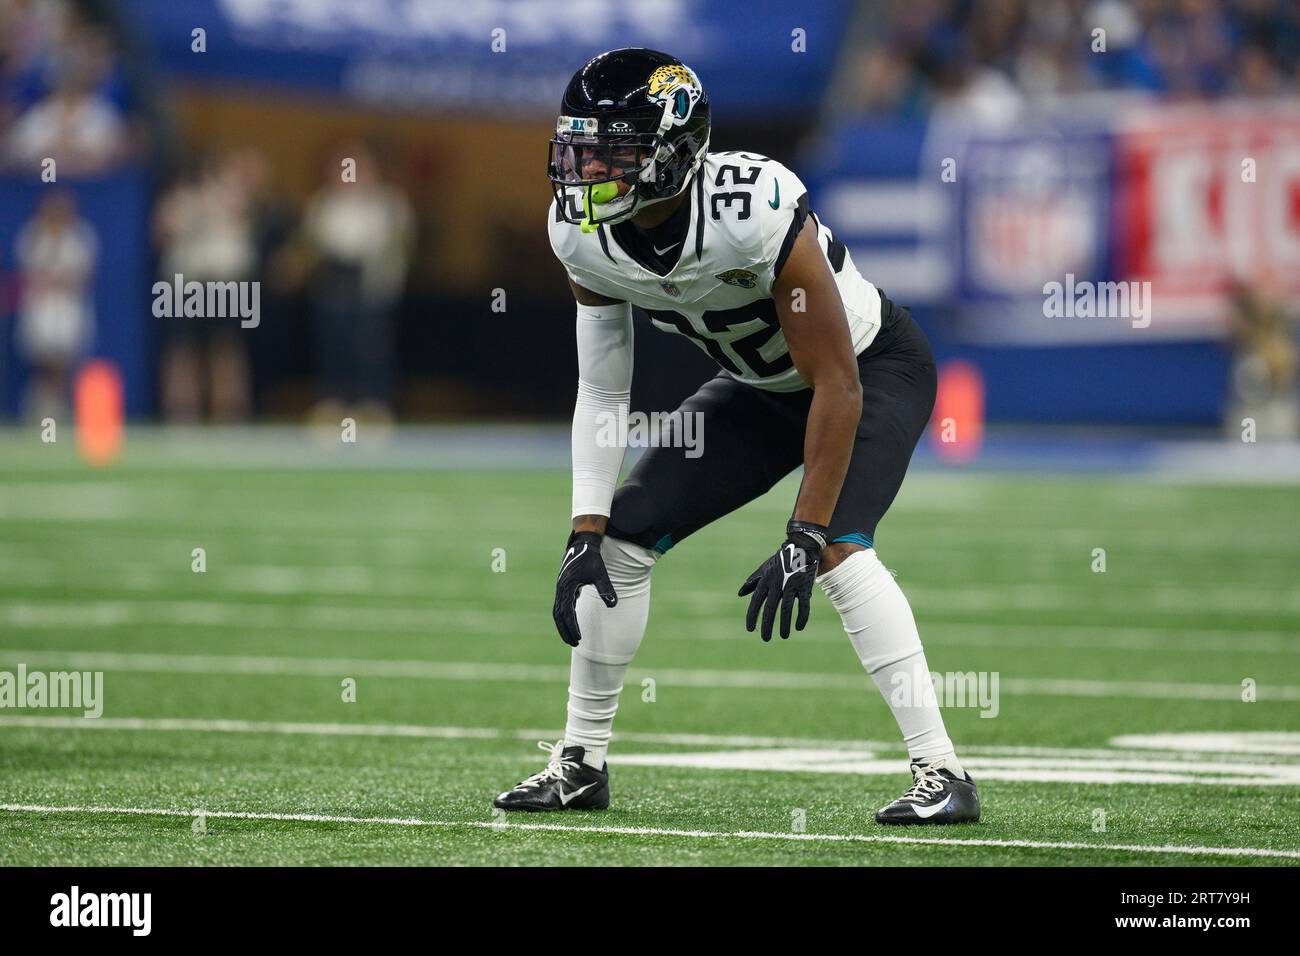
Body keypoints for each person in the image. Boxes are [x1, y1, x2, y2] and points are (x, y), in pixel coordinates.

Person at [493, 49, 979, 825]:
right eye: (581, 144)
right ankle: (579, 763)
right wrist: (582, 526)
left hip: (868, 369)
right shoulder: (583, 236)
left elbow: (838, 383)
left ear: (674, 149)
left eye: (612, 147)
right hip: (759, 389)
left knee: (839, 547)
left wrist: (803, 530)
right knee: (622, 536)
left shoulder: (751, 206)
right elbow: (603, 385)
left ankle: (943, 771)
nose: (587, 167)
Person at [14, 190, 96, 420]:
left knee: (65, 365)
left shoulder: (80, 237)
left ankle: (62, 412)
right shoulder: (32, 236)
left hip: (69, 310)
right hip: (41, 309)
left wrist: (57, 277)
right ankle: (41, 414)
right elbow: (33, 275)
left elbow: (79, 276)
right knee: (42, 366)